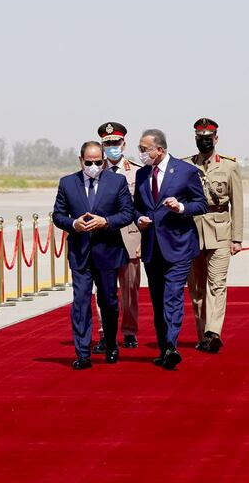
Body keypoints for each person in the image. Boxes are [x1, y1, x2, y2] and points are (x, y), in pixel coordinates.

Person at [52, 141, 134, 370]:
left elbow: (127, 213)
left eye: (98, 162)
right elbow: (58, 215)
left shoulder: (116, 182)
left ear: (104, 161)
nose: (94, 166)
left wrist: (106, 221)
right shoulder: (67, 183)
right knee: (80, 303)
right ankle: (83, 353)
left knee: (108, 302)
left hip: (107, 252)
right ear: (81, 160)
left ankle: (111, 343)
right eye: (89, 162)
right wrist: (73, 224)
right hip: (80, 254)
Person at [134, 129, 207, 370]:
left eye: (145, 149)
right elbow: (136, 207)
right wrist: (139, 219)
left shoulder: (185, 172)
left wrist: (181, 207)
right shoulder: (143, 174)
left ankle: (172, 346)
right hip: (152, 247)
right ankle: (165, 347)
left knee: (172, 296)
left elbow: (201, 204)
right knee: (157, 300)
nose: (141, 153)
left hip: (178, 246)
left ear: (160, 150)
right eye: (140, 149)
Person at [184, 118, 244, 353]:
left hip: (220, 231)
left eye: (209, 138)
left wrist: (236, 238)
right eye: (201, 138)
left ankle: (213, 331)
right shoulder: (186, 166)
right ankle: (203, 335)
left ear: (216, 139)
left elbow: (237, 204)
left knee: (217, 284)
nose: (205, 142)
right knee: (197, 288)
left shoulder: (229, 167)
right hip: (193, 232)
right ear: (196, 139)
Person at [90, 122, 142, 353]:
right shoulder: (94, 171)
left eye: (116, 143)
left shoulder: (137, 171)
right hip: (103, 240)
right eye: (107, 143)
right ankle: (105, 333)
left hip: (130, 238)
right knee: (103, 291)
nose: (112, 147)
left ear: (124, 144)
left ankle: (129, 331)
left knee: (130, 289)